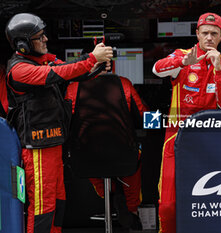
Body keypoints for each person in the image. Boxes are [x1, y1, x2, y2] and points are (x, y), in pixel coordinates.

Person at [4, 13, 113, 233]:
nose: (45, 40)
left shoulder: (43, 61)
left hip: (53, 143)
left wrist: (97, 65)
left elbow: (72, 70)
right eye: (39, 37)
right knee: (42, 207)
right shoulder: (19, 69)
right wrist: (92, 58)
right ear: (23, 44)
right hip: (37, 148)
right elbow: (56, 74)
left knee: (58, 203)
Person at [152, 12, 221, 233]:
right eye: (205, 33)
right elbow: (156, 69)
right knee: (168, 206)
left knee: (205, 206)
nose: (209, 37)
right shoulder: (182, 55)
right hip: (175, 142)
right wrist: (182, 62)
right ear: (197, 33)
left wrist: (218, 70)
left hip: (210, 145)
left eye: (214, 33)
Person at [88, 75, 148, 231]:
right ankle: (132, 211)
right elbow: (143, 115)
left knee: (90, 161)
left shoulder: (74, 86)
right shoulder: (124, 83)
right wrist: (166, 119)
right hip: (123, 153)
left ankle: (111, 194)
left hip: (88, 156)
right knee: (135, 157)